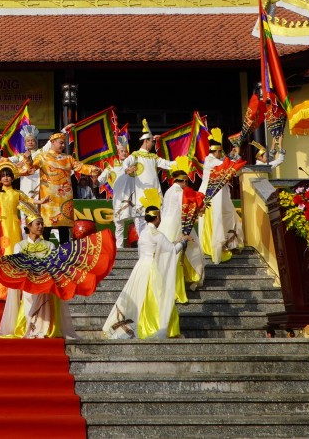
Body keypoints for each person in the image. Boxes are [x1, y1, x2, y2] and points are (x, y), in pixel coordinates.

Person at [101, 204, 183, 339]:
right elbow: (172, 251)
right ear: (157, 218)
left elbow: (155, 249)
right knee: (157, 299)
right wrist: (183, 242)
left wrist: (176, 241)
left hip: (140, 267)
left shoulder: (143, 233)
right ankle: (153, 327)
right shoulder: (157, 234)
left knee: (139, 297)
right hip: (152, 269)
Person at [0, 214, 77, 339]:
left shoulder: (49, 245)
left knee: (46, 301)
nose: (40, 227)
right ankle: (30, 328)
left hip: (45, 284)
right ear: (29, 226)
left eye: (42, 224)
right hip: (28, 284)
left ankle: (44, 329)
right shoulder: (20, 246)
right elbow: (18, 266)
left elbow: (54, 265)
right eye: (37, 224)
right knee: (28, 301)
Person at [27, 132, 100, 244]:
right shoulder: (42, 157)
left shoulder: (68, 158)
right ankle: (43, 248)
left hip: (65, 197)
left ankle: (64, 249)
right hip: (49, 197)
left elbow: (80, 166)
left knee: (64, 226)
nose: (63, 145)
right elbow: (31, 167)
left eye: (63, 143)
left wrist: (92, 169)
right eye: (60, 143)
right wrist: (27, 161)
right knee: (46, 224)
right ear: (53, 142)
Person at [159, 160, 206, 297]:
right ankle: (190, 278)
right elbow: (184, 209)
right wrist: (198, 208)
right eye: (187, 182)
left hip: (165, 225)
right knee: (192, 249)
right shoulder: (179, 192)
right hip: (179, 224)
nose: (187, 185)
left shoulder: (168, 191)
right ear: (184, 181)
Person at [0, 165, 31, 301]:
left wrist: (41, 201)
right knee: (1, 253)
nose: (6, 178)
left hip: (14, 226)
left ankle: (14, 290)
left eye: (8, 175)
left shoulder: (17, 193)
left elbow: (29, 201)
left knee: (14, 253)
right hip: (0, 226)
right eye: (3, 176)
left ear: (12, 177)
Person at [199, 138, 243, 264]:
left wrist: (233, 155)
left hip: (220, 193)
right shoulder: (210, 160)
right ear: (216, 151)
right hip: (211, 194)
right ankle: (217, 246)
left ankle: (231, 244)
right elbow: (225, 166)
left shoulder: (215, 160)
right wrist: (236, 155)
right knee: (216, 219)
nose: (221, 154)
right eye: (220, 152)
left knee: (229, 214)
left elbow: (226, 164)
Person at [98, 141, 141, 249]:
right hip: (119, 200)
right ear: (118, 152)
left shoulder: (134, 165)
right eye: (122, 151)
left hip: (133, 199)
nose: (124, 153)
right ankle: (120, 249)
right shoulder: (111, 166)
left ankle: (143, 246)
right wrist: (95, 179)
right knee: (119, 225)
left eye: (126, 151)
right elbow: (100, 181)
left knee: (139, 223)